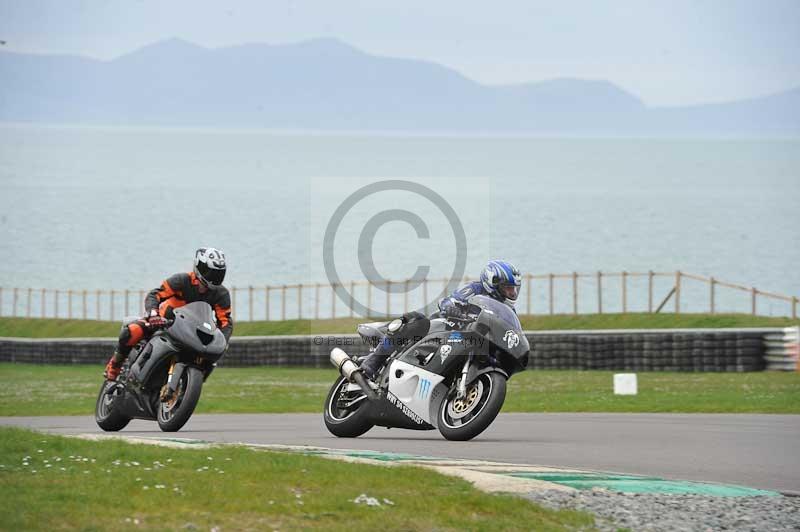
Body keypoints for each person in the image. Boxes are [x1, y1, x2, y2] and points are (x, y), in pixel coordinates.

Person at [359, 259, 522, 379]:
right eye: (508, 288)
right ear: (493, 283)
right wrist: (453, 307)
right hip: (445, 327)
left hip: (471, 342)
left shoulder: (509, 310)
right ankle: (373, 362)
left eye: (514, 289)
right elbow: (449, 301)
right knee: (417, 320)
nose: (512, 293)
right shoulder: (474, 289)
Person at [103, 248, 234, 380]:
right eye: (210, 272)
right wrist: (154, 315)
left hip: (194, 334)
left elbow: (225, 321)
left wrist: (222, 341)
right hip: (164, 323)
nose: (213, 277)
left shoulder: (221, 294)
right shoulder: (182, 280)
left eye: (218, 273)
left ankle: (186, 384)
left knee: (210, 359)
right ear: (199, 266)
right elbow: (155, 295)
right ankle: (115, 365)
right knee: (133, 330)